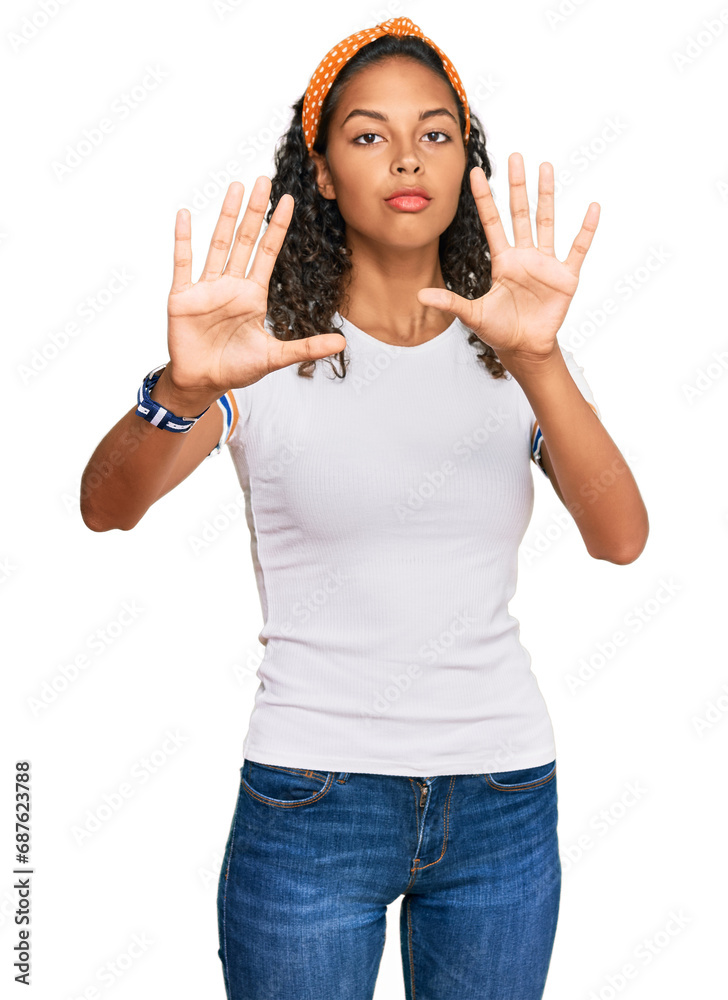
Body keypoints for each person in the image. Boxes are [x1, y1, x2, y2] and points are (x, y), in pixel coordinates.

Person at [80, 16, 649, 1000]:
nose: (404, 157)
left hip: (502, 794)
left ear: (464, 161)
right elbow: (106, 506)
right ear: (321, 167)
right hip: (312, 797)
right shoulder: (259, 347)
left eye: (434, 132)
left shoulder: (510, 340)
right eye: (366, 133)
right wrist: (176, 388)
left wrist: (541, 361)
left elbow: (620, 538)